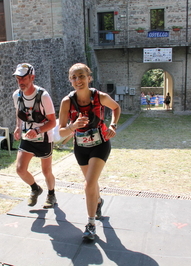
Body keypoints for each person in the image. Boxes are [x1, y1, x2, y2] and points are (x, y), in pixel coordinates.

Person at [58, 63, 121, 241]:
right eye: (74, 77)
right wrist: (72, 126)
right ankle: (98, 201)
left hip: (100, 144)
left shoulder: (99, 97)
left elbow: (115, 107)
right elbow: (61, 131)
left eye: (81, 76)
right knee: (91, 184)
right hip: (80, 147)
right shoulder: (67, 102)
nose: (78, 80)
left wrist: (113, 125)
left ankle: (91, 224)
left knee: (88, 184)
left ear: (89, 77)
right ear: (70, 81)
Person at [12, 63, 57, 208]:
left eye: (24, 78)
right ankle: (35, 189)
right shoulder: (16, 95)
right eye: (18, 79)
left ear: (32, 77)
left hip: (43, 138)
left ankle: (51, 194)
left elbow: (52, 122)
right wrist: (18, 127)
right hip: (27, 137)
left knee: (46, 171)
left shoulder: (43, 96)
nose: (20, 82)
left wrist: (37, 131)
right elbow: (19, 113)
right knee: (20, 169)